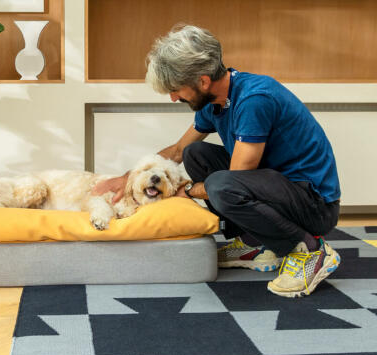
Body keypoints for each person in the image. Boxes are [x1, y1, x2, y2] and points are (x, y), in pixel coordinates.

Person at [92, 24, 341, 298]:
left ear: (202, 81)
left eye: (176, 89)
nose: (174, 98)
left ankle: (309, 250)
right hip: (276, 188)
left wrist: (186, 190)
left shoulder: (254, 99)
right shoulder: (217, 102)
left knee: (223, 186)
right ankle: (253, 243)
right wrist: (128, 177)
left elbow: (237, 176)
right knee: (195, 155)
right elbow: (177, 151)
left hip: (314, 204)